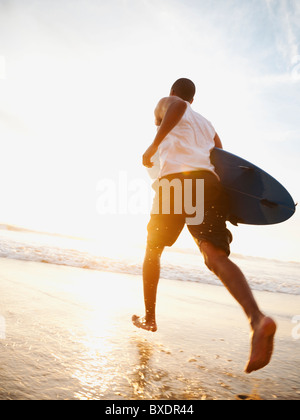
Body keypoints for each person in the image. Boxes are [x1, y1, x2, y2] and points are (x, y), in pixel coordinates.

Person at [132, 78, 276, 374]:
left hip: (177, 183)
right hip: (208, 183)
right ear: (195, 100)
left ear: (174, 94)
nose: (157, 120)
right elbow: (223, 160)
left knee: (153, 250)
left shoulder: (170, 103)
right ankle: (256, 318)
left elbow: (176, 108)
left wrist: (152, 145)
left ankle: (150, 317)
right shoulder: (208, 125)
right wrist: (230, 203)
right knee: (214, 255)